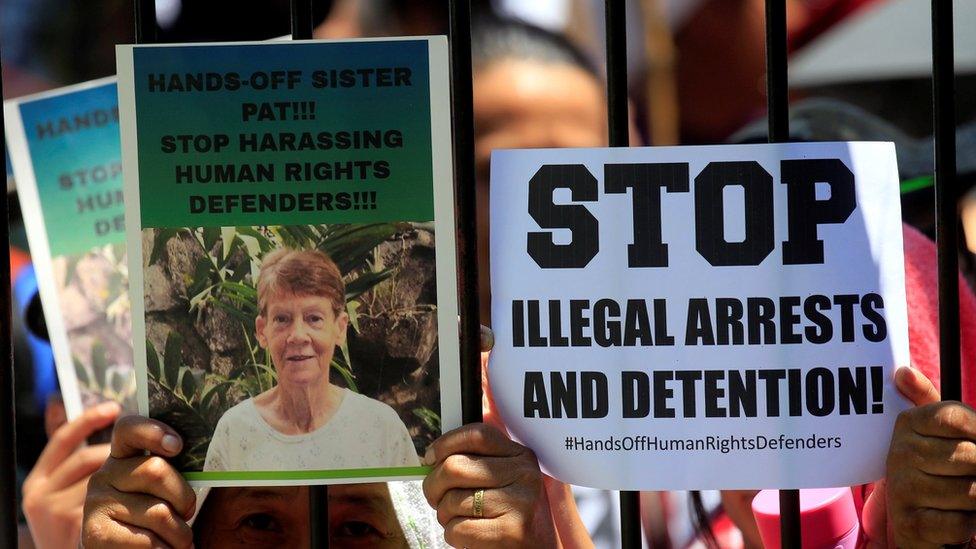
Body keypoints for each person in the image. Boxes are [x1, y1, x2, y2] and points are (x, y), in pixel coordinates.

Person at [204, 248, 418, 471]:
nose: (297, 335)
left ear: (340, 328)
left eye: (314, 318)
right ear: (262, 331)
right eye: (282, 319)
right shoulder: (235, 431)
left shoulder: (381, 428)